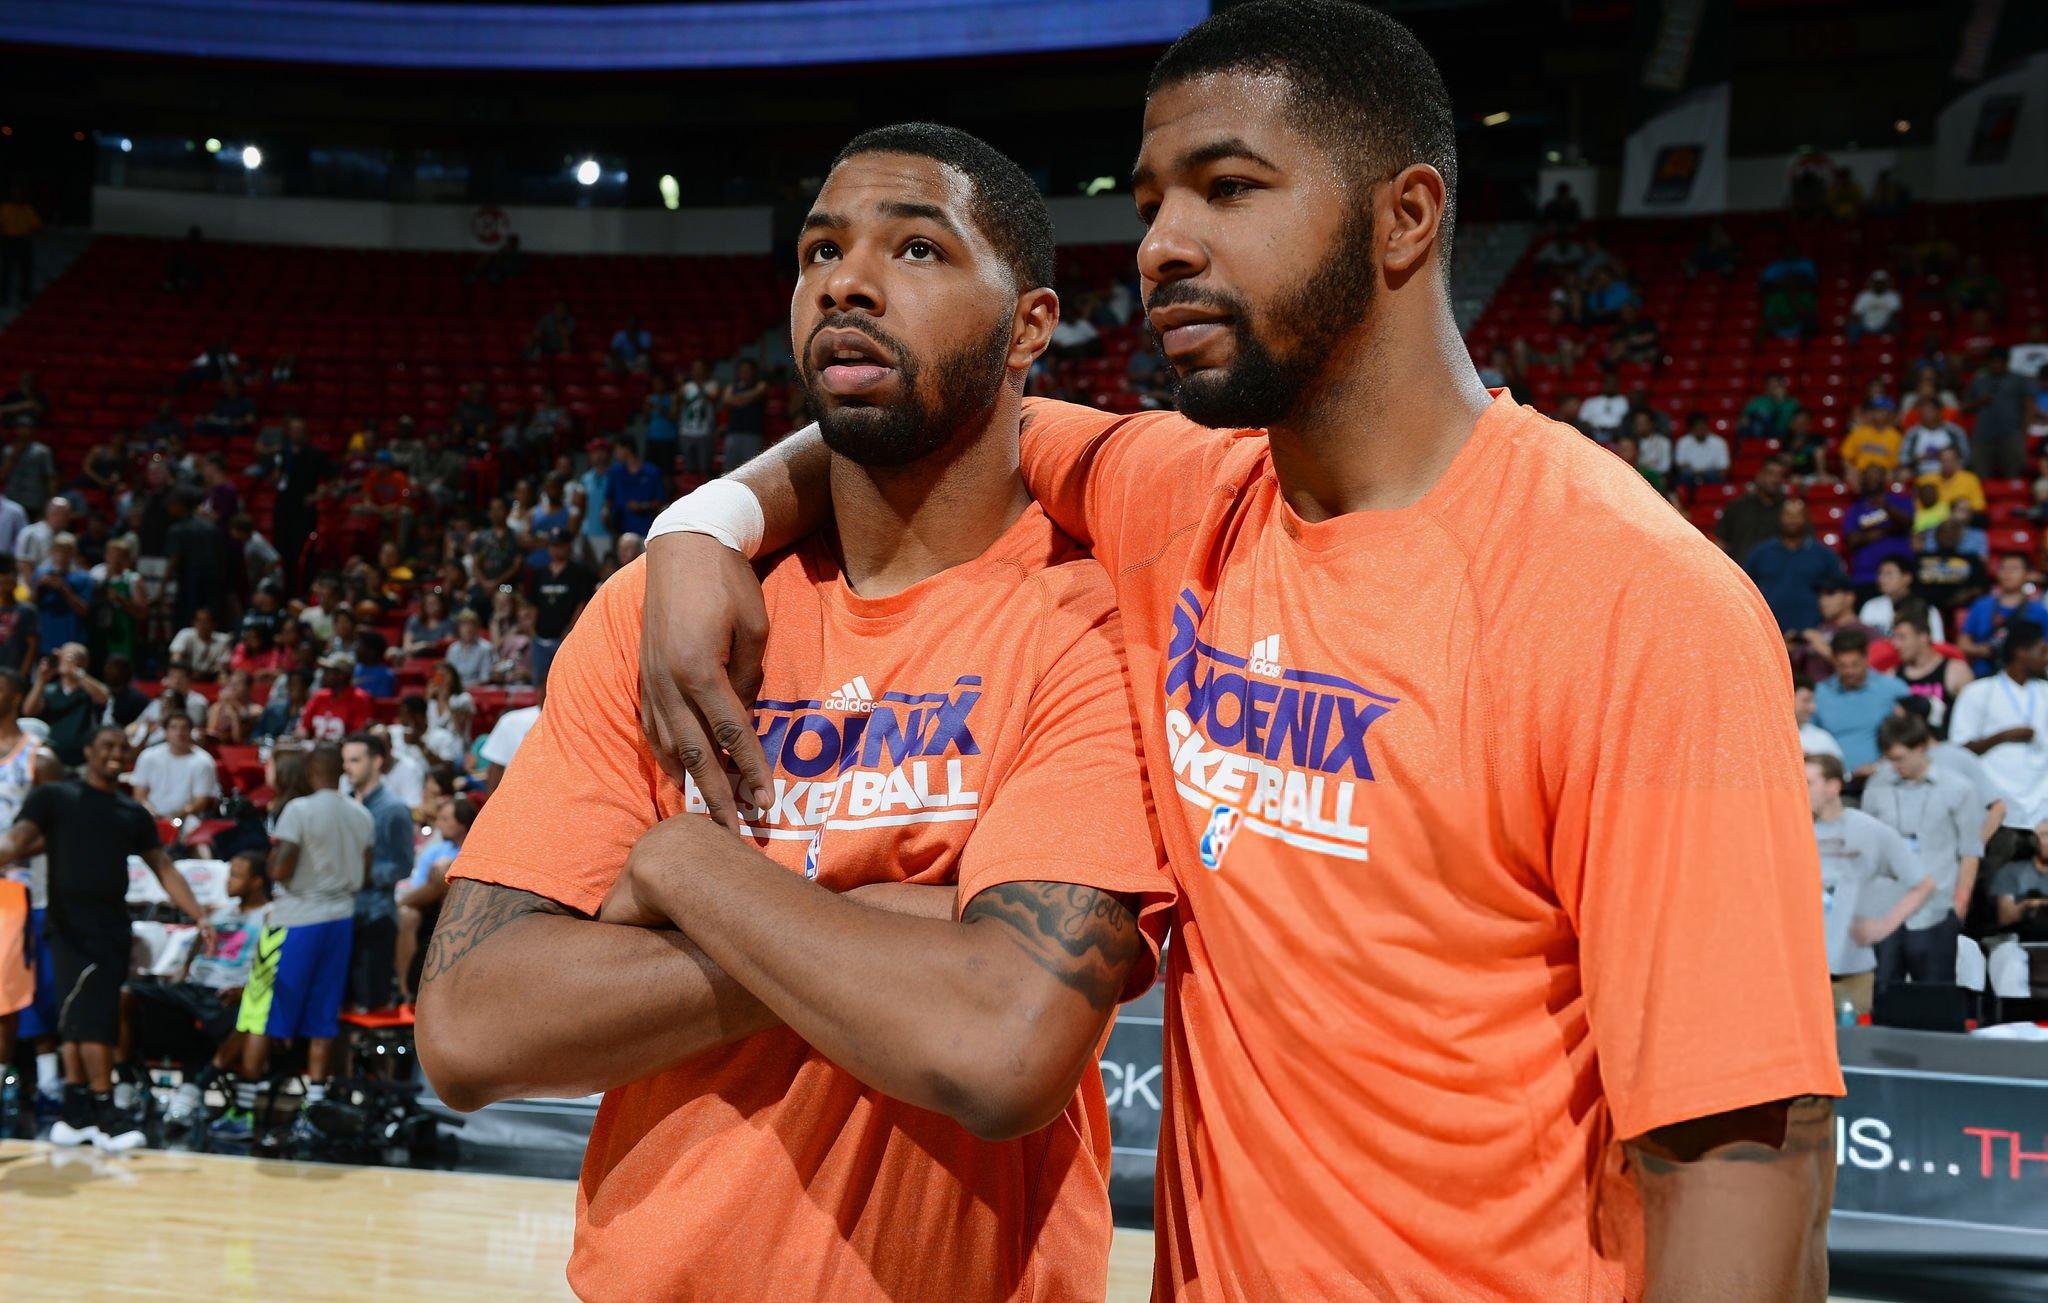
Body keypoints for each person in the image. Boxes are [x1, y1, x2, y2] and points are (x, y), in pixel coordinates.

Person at [639, 8, 1843, 1295]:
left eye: (1226, 188)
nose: (1159, 244)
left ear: (1404, 218)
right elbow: (942, 410)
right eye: (1149, 200)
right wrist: (703, 526)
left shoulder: (1634, 597)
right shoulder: (1178, 494)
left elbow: (1743, 1150)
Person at [419, 123, 1175, 1301]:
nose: (845, 281)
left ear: (1030, 324)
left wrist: (688, 874)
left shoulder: (1096, 620)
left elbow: (998, 1046)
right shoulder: (663, 619)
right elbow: (471, 1028)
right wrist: (894, 932)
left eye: (916, 248)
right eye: (819, 249)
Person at [0, 725, 209, 1148]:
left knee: (90, 1023)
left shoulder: (132, 813)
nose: (116, 753)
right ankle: (97, 1113)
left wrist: (199, 914)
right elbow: (17, 841)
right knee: (81, 1023)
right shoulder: (55, 797)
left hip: (109, 929)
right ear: (88, 750)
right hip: (66, 926)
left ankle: (82, 1113)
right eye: (107, 746)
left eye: (122, 747)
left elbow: (163, 867)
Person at [228, 743, 370, 1133]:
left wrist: (273, 862)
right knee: (323, 1018)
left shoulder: (299, 810)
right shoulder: (361, 814)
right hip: (340, 920)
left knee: (260, 1014)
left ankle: (242, 1113)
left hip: (294, 920)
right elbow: (368, 867)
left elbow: (280, 869)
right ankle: (313, 1113)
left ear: (310, 772)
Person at [1807, 752, 1931, 1018]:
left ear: (1833, 786)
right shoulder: (1791, 831)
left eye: (1808, 783)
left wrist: (1883, 925)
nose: (1800, 791)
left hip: (1851, 970)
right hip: (1801, 968)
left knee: (1852, 1039)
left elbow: (1922, 883)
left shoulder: (1869, 830)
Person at [1864, 714, 1980, 986]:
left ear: (1920, 748)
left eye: (1900, 758)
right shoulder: (1878, 784)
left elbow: (1970, 851)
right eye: (1889, 759)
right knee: (1884, 991)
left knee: (1934, 993)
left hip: (1936, 906)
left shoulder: (1958, 788)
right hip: (1886, 908)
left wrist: (1959, 905)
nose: (1895, 766)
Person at [341, 733, 411, 1012]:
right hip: (341, 913)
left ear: (377, 761)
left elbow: (403, 865)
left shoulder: (394, 809)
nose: (347, 767)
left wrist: (365, 874)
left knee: (370, 1004)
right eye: (345, 761)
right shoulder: (343, 804)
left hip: (375, 914)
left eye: (355, 760)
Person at [1811, 629, 1911, 780]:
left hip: (1884, 778)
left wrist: (1881, 765)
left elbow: (1910, 736)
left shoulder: (1892, 688)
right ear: (1833, 661)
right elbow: (1810, 737)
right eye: (1842, 665)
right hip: (1834, 782)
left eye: (1855, 664)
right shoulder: (1819, 693)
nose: (1849, 671)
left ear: (1866, 658)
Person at [1744, 498, 1845, 633]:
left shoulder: (1824, 555)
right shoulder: (1760, 553)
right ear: (1780, 518)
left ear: (1806, 519)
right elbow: (1746, 591)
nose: (1792, 519)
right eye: (1788, 514)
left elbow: (1840, 590)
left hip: (1814, 632)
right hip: (1770, 630)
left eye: (1798, 515)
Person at [1959, 552, 2048, 675]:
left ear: (2028, 574)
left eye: (2014, 568)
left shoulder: (2039, 611)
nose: (2007, 573)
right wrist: (1983, 650)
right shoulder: (1981, 605)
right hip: (1984, 674)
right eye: (2003, 568)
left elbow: (2044, 649)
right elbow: (1963, 643)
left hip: (2025, 677)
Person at [1889, 601, 1970, 736]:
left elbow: (1972, 716)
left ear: (1923, 637)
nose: (1895, 644)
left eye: (1902, 637)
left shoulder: (1955, 671)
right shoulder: (1892, 676)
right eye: (1894, 638)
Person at [525, 529, 593, 686]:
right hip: (541, 636)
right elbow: (534, 604)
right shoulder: (540, 573)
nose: (556, 549)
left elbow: (581, 604)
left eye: (560, 545)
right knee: (540, 683)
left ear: (569, 546)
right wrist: (532, 629)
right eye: (553, 545)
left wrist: (571, 630)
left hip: (564, 637)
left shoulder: (579, 572)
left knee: (565, 682)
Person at [28, 643, 109, 767]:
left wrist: (77, 672)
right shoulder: (50, 689)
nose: (64, 660)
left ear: (84, 662)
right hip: (53, 756)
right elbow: (29, 710)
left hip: (82, 758)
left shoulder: (89, 690)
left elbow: (104, 697)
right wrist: (41, 680)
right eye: (62, 656)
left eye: (70, 657)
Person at [131, 710, 221, 821]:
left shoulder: (204, 761)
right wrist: (152, 814)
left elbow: (201, 801)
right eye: (173, 728)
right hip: (151, 816)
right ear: (165, 732)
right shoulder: (147, 756)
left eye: (184, 728)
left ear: (190, 731)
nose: (179, 733)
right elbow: (139, 794)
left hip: (187, 819)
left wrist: (175, 819)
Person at [1967, 350, 2034, 482]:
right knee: (1980, 473)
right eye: (1992, 362)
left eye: (1999, 362)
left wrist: (2023, 433)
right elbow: (1964, 407)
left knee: (2014, 473)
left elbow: (2029, 407)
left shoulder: (2019, 380)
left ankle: (2014, 494)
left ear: (2006, 363)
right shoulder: (1980, 381)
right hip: (1983, 435)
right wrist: (1978, 402)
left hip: (2011, 433)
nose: (1995, 365)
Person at [1716, 454, 1791, 561]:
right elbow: (1721, 543)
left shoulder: (1789, 510)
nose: (1775, 479)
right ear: (1759, 475)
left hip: (1776, 569)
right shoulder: (1737, 506)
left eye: (1779, 475)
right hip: (1741, 567)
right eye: (1770, 473)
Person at [126, 660, 208, 752]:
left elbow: (190, 730)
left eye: (181, 677)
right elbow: (137, 724)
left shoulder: (197, 702)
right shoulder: (157, 702)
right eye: (173, 676)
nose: (176, 681)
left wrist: (160, 725)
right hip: (150, 744)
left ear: (189, 679)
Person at [1861, 557, 1942, 641]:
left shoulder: (1928, 609)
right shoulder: (1871, 606)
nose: (1881, 579)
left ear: (1907, 577)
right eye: (1880, 574)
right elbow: (1862, 641)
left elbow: (1937, 643)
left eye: (1889, 573)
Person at [301, 652, 373, 742]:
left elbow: (358, 734)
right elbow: (304, 726)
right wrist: (301, 733)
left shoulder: (359, 698)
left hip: (343, 747)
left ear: (341, 675)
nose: (324, 675)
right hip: (313, 746)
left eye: (328, 671)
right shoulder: (319, 696)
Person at [604, 437, 664, 542]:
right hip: (621, 533)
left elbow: (660, 502)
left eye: (617, 450)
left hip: (646, 532)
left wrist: (642, 506)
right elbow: (609, 500)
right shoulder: (615, 473)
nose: (615, 454)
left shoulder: (651, 472)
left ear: (627, 449)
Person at [1900, 401, 1967, 477]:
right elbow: (1903, 459)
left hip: (1950, 474)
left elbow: (1965, 456)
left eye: (1930, 411)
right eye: (1923, 412)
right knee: (1904, 473)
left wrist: (1945, 457)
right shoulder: (1913, 433)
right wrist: (1916, 459)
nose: (1926, 414)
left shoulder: (1954, 431)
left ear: (1939, 412)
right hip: (1920, 474)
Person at [169, 606, 234, 681]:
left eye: (206, 621)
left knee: (223, 677)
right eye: (198, 621)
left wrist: (206, 674)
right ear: (193, 623)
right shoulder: (185, 634)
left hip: (210, 677)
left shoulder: (223, 640)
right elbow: (175, 660)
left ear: (214, 624)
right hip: (187, 676)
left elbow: (222, 667)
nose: (202, 625)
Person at [1919, 445, 1985, 516]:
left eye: (1950, 460)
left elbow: (1979, 506)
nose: (1947, 464)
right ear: (1939, 461)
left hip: (1962, 517)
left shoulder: (1970, 479)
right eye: (1944, 460)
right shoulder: (1927, 480)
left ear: (1957, 461)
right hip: (1934, 518)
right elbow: (1919, 507)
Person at [1838, 403, 1903, 477]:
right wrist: (1851, 469)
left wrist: (1892, 472)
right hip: (1861, 472)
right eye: (1876, 411)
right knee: (1851, 473)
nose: (1879, 414)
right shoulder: (1859, 432)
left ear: (1889, 414)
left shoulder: (1896, 436)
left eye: (1882, 411)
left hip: (1884, 474)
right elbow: (1845, 456)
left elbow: (1897, 464)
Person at [1670, 412, 1728, 488]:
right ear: (1691, 428)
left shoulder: (1719, 442)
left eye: (1703, 426)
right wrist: (1696, 472)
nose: (1700, 429)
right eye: (1697, 427)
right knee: (1684, 476)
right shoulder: (1683, 442)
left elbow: (1723, 468)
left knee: (1713, 476)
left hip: (1711, 475)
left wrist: (1704, 473)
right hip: (1690, 475)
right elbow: (1680, 466)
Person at [1740, 373, 1800, 442]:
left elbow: (1795, 424)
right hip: (1759, 434)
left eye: (1776, 385)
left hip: (1784, 436)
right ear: (1766, 387)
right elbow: (1743, 420)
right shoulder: (1757, 401)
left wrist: (1780, 401)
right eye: (1771, 385)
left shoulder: (1792, 403)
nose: (1773, 388)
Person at [1795, 675, 1842, 759]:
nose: (1813, 708)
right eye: (1806, 701)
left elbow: (1838, 766)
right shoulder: (1772, 736)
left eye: (1813, 701)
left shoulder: (1822, 738)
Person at [1848, 270, 1900, 341]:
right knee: (1852, 326)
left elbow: (1895, 314)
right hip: (1865, 324)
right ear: (1872, 283)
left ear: (1886, 283)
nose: (1879, 285)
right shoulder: (1863, 295)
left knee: (1896, 326)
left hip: (1885, 325)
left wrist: (1886, 324)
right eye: (1877, 282)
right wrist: (1859, 321)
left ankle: (1894, 346)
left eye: (1882, 283)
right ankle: (1853, 346)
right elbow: (1856, 313)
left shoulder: (1893, 296)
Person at [1577, 369, 1628, 439]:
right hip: (1593, 433)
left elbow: (1626, 422)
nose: (1611, 386)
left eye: (1613, 383)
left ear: (1617, 385)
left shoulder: (1624, 401)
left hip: (1616, 435)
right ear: (1603, 384)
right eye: (1608, 383)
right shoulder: (1590, 401)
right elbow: (1582, 420)